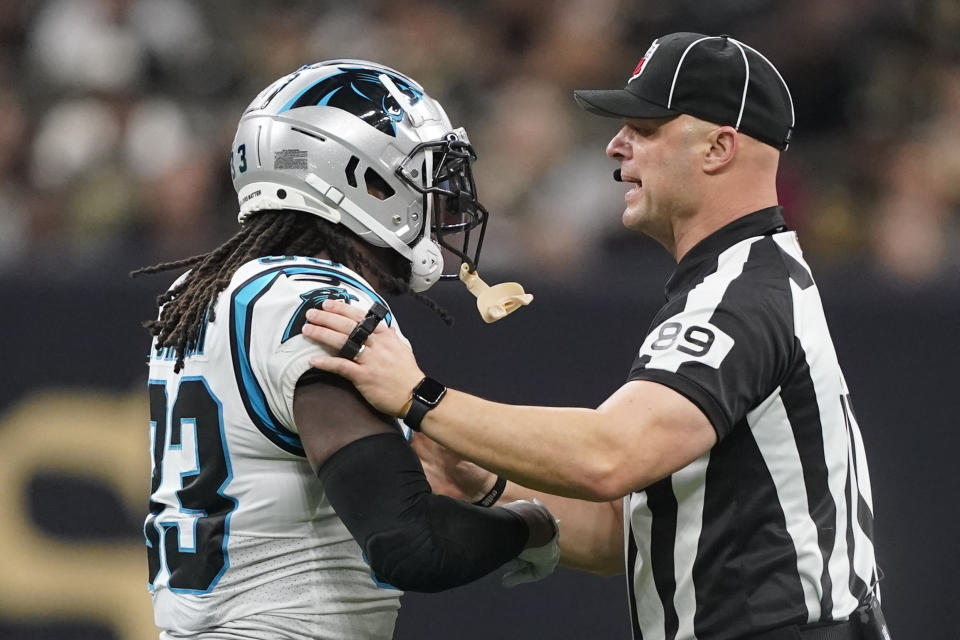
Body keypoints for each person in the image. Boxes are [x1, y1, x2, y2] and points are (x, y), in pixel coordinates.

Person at [300, 34, 893, 640]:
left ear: (719, 147)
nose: (616, 146)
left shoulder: (741, 293)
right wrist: (489, 484)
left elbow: (611, 455)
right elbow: (623, 535)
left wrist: (419, 397)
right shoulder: (738, 282)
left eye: (645, 126)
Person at [133, 60, 558, 640]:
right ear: (362, 179)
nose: (441, 196)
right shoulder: (318, 303)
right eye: (420, 173)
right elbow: (410, 546)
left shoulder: (203, 292)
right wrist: (533, 525)